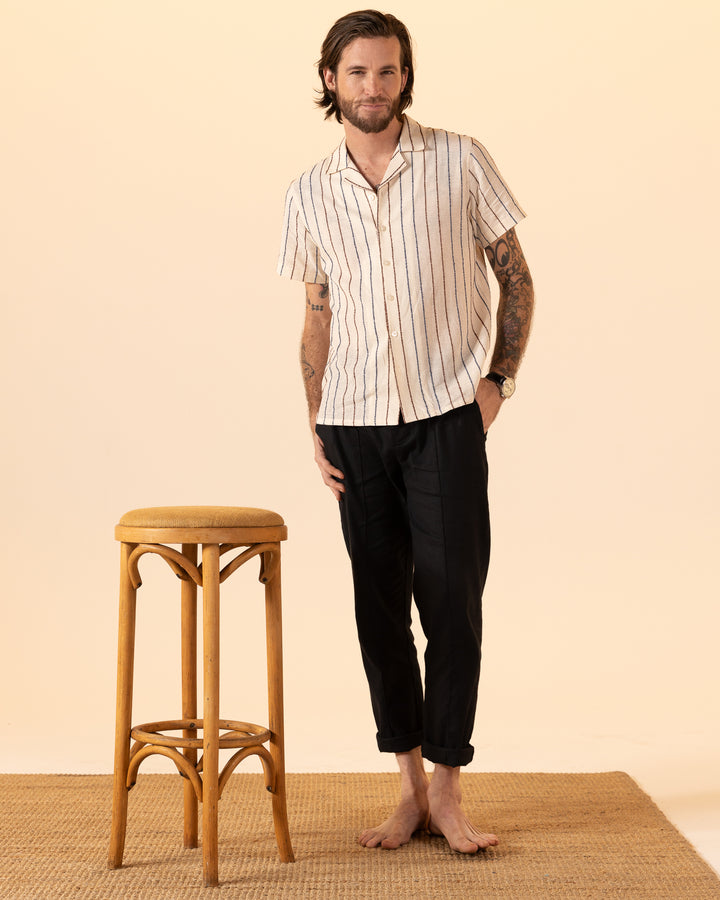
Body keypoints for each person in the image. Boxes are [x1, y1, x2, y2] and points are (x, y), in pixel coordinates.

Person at [278, 9, 534, 854]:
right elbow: (316, 315)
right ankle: (409, 789)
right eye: (357, 73)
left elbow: (517, 279)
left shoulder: (459, 160)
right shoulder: (309, 192)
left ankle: (452, 792)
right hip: (352, 423)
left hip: (445, 417)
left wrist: (496, 383)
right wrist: (314, 422)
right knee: (378, 609)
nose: (373, 88)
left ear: (404, 77)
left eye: (387, 72)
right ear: (330, 80)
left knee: (452, 602)